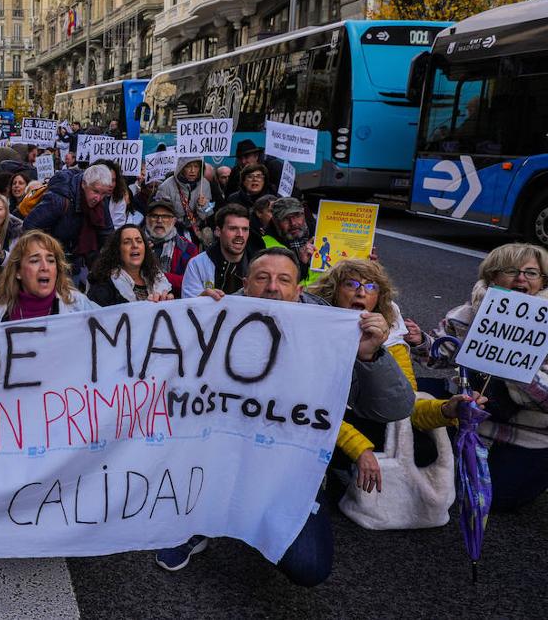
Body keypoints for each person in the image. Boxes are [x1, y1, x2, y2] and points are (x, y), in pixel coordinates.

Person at [154, 247, 414, 585]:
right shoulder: (219, 313)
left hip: (290, 472)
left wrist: (369, 357)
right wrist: (177, 322)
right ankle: (200, 522)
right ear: (245, 285)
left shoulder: (334, 333)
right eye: (262, 278)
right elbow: (168, 381)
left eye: (283, 280)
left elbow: (393, 408)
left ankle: (259, 517)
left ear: (299, 290)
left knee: (309, 567)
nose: (272, 287)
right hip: (219, 459)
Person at [308, 259, 471, 502]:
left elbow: (408, 406)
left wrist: (447, 409)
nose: (361, 292)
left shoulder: (392, 339)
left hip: (361, 418)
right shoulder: (312, 328)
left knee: (424, 449)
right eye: (351, 284)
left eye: (371, 287)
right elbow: (306, 405)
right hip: (313, 423)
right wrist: (359, 448)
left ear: (379, 299)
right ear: (333, 291)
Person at [414, 243, 548, 512]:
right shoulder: (472, 309)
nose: (521, 278)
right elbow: (441, 353)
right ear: (492, 276)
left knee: (496, 499)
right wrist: (420, 341)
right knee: (405, 395)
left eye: (531, 273)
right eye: (511, 270)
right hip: (466, 407)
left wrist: (514, 367)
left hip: (528, 430)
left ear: (543, 280)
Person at [0, 231, 99, 324]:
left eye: (51, 260)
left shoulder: (79, 305)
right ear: (18, 272)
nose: (45, 267)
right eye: (35, 261)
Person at [22, 164, 114, 275]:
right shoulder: (59, 199)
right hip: (51, 264)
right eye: (95, 191)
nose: (99, 198)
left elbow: (107, 235)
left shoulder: (100, 202)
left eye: (104, 194)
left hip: (76, 263)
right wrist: (47, 256)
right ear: (84, 184)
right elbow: (29, 226)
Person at [87, 224, 172, 305]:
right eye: (127, 242)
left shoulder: (158, 279)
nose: (135, 245)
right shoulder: (103, 286)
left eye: (139, 241)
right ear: (117, 250)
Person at [181, 204, 254, 298]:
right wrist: (201, 298)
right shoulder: (197, 264)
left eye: (245, 229)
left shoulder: (259, 264)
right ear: (218, 231)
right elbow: (187, 306)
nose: (240, 234)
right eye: (233, 228)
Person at [143, 199, 199, 296]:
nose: (159, 220)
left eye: (165, 216)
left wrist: (158, 276)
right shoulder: (134, 245)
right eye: (154, 216)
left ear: (174, 221)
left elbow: (192, 283)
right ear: (147, 219)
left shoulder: (188, 248)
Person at [153, 157, 211, 246]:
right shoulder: (166, 186)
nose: (192, 170)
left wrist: (203, 206)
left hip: (196, 232)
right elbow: (159, 212)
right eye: (188, 166)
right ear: (182, 168)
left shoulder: (205, 184)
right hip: (173, 231)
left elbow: (208, 213)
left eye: (196, 166)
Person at [261, 197, 318, 286]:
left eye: (297, 216)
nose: (293, 223)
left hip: (321, 297)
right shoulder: (263, 245)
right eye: (285, 218)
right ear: (275, 221)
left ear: (304, 214)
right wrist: (301, 263)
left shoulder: (321, 235)